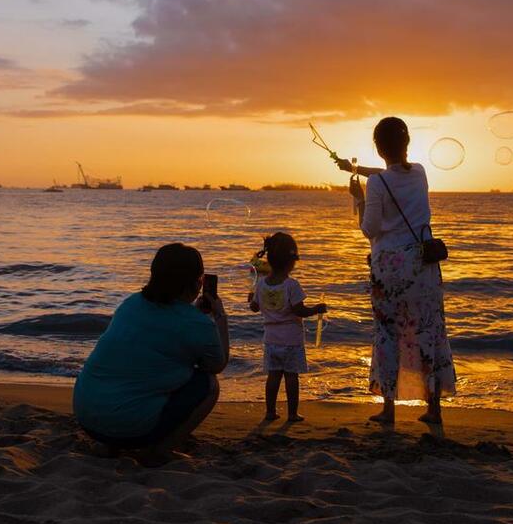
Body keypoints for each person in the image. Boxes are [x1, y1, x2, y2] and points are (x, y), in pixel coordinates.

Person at [342, 117, 456, 424]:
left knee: (388, 334)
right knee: (429, 331)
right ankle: (434, 408)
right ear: (407, 144)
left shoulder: (376, 184)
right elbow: (390, 175)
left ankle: (389, 408)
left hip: (390, 268)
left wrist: (359, 199)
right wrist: (355, 170)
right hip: (423, 265)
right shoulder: (419, 172)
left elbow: (370, 229)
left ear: (378, 148)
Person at [73, 243, 229, 465]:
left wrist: (193, 313)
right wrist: (220, 317)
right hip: (131, 429)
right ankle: (159, 451)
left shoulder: (131, 304)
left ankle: (109, 446)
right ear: (196, 284)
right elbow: (217, 364)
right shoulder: (197, 323)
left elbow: (159, 333)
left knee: (130, 371)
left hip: (86, 416)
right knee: (209, 384)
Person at [247, 232, 327, 422]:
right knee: (291, 377)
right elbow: (299, 310)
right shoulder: (292, 285)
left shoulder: (261, 285)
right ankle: (292, 414)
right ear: (291, 262)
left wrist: (251, 300)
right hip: (291, 340)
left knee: (273, 376)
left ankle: (270, 412)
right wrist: (316, 309)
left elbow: (254, 308)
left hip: (271, 340)